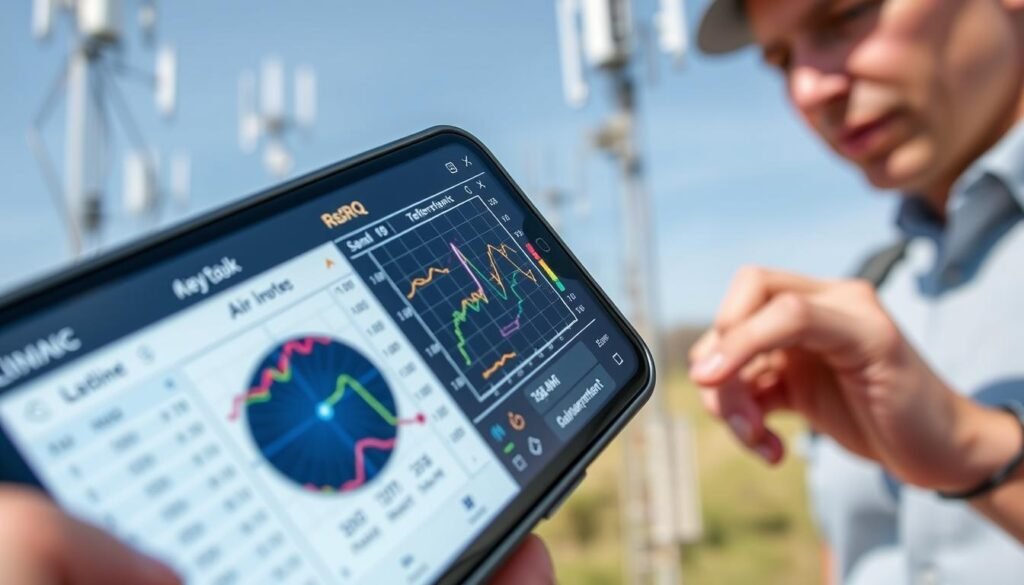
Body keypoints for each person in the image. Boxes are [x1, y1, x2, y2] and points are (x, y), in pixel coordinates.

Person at [502, 0, 1024, 583]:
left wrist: (973, 451)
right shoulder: (877, 290)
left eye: (845, 16)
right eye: (778, 60)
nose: (807, 88)